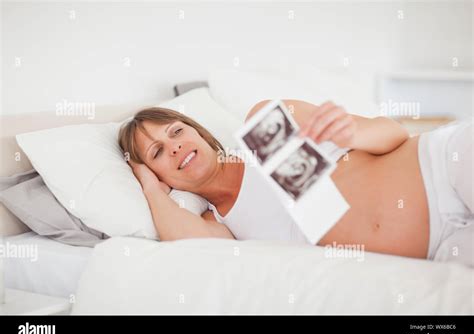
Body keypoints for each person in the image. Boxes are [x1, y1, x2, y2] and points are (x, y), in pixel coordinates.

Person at [118, 100, 473, 266]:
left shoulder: (267, 126)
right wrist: (149, 187)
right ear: (158, 175)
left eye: (177, 131)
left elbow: (394, 133)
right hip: (441, 249)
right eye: (157, 152)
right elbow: (183, 243)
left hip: (442, 166)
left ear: (200, 132)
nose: (175, 146)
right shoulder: (218, 228)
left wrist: (354, 131)